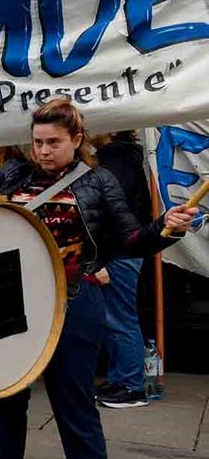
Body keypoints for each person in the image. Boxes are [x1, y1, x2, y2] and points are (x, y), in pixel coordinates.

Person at [0, 99, 197, 459]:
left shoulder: (98, 180)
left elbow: (131, 239)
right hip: (11, 302)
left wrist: (165, 227)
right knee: (4, 399)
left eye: (53, 142)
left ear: (76, 138)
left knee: (74, 406)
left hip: (72, 300)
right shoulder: (14, 175)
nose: (43, 151)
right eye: (38, 142)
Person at [90, 131, 153, 408]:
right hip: (120, 250)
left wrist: (100, 258)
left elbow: (112, 213)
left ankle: (130, 385)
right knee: (116, 317)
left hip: (118, 251)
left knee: (119, 318)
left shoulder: (116, 159)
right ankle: (122, 379)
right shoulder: (120, 156)